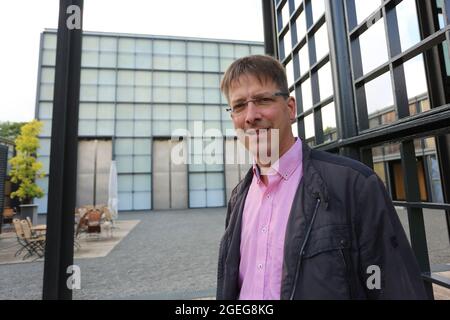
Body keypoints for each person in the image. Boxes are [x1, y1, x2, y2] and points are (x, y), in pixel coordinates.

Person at [216, 55, 428, 300]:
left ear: (290, 107)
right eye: (239, 105)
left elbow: (390, 284)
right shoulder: (238, 199)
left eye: (263, 99)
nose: (250, 115)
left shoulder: (355, 185)